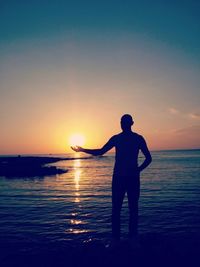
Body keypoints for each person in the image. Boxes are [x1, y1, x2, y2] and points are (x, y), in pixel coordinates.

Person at [71, 114, 152, 243]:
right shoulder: (118, 138)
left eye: (124, 121)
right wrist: (82, 149)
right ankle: (117, 240)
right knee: (118, 209)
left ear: (131, 123)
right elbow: (100, 152)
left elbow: (149, 158)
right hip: (120, 178)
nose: (122, 124)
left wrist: (138, 170)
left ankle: (131, 239)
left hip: (129, 178)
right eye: (121, 121)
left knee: (131, 209)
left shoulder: (137, 138)